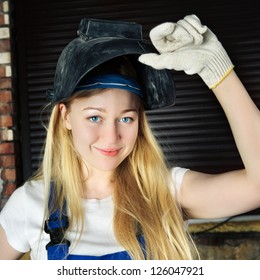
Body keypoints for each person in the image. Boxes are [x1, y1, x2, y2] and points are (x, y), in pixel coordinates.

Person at [0, 14, 260, 260]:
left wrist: (218, 72)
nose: (112, 137)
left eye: (126, 118)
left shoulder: (164, 191)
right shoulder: (31, 204)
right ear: (65, 116)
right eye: (94, 117)